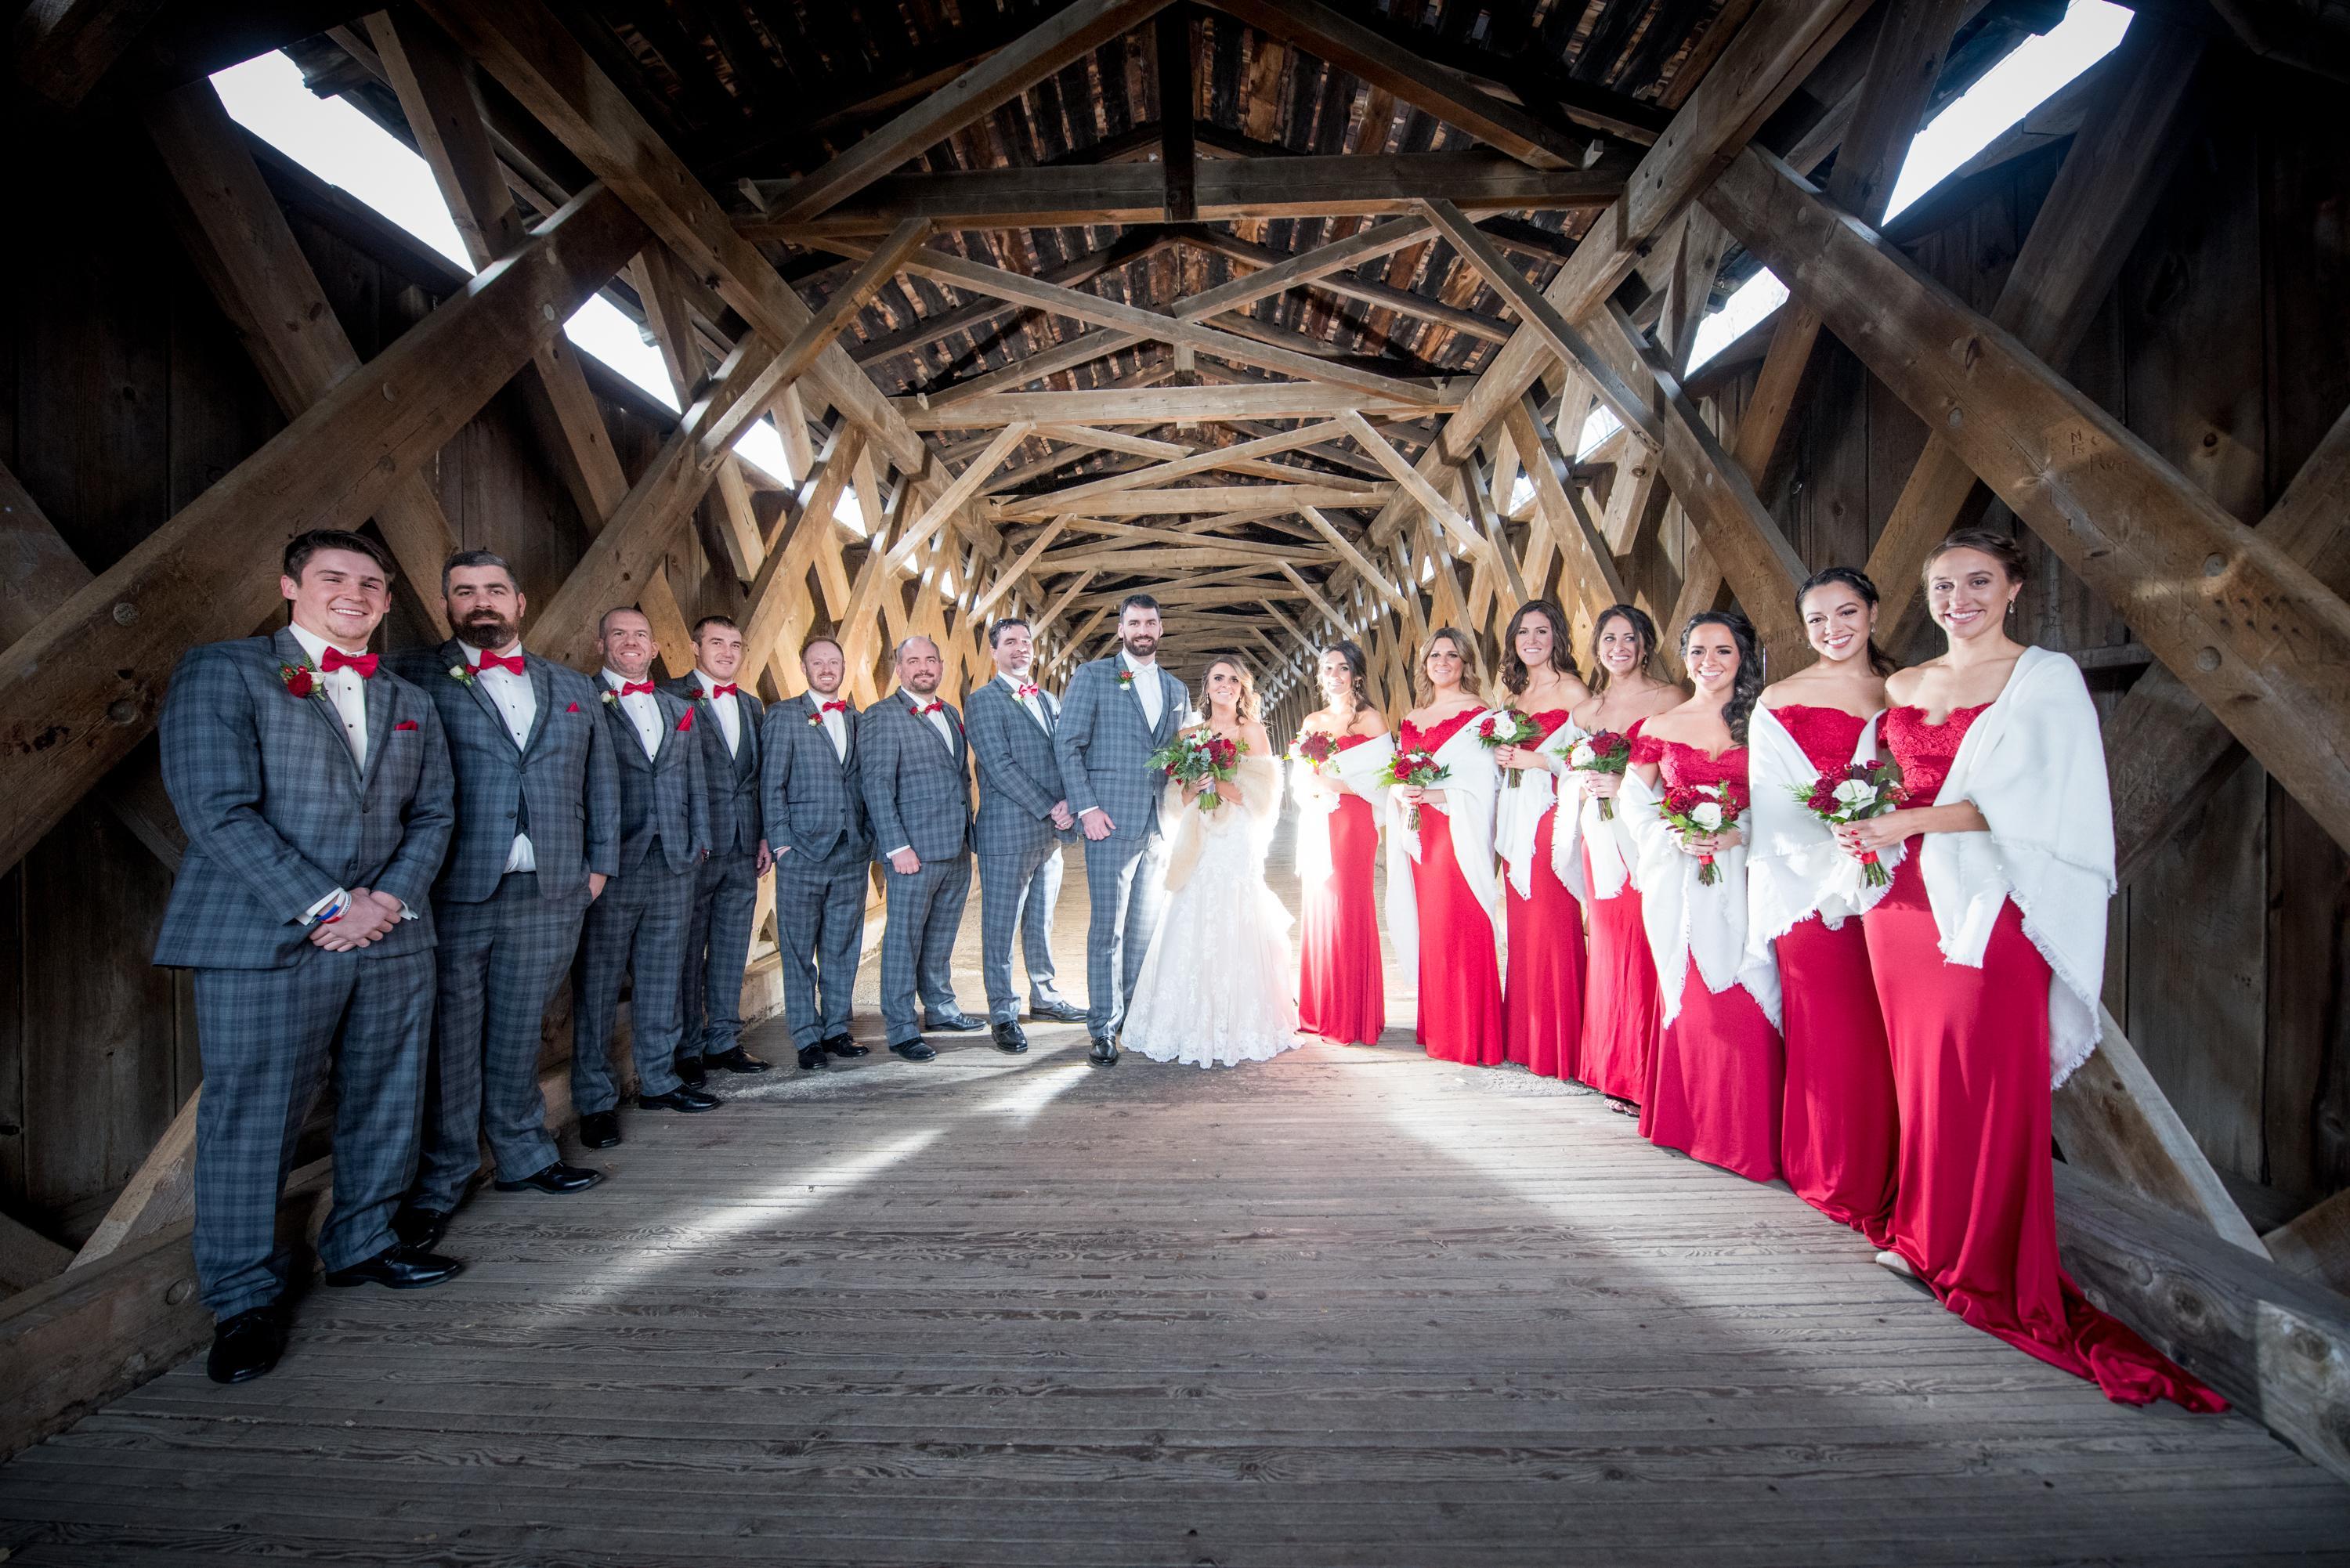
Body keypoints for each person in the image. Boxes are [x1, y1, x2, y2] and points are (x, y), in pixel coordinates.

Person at [1836, 530, 2221, 1409]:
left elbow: (2037, 804)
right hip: (1903, 904)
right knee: (1921, 1071)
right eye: (1943, 585)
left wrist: (1906, 821)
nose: (1959, 599)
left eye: (1979, 581)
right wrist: (1860, 818)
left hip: (1990, 903)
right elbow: (1880, 777)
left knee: (1983, 1069)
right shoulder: (1903, 685)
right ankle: (1920, 1234)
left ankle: (1981, 1252)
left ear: (2014, 589)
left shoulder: (2044, 679)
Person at [154, 529, 458, 1385]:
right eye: (333, 578)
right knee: (252, 1117)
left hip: (392, 932)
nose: (354, 594)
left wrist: (385, 901)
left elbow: (434, 813)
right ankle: (242, 1297)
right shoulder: (227, 670)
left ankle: (364, 1241)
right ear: (290, 586)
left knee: (388, 1094)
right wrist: (329, 904)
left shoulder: (409, 697)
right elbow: (214, 807)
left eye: (371, 583)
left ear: (388, 600)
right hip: (267, 935)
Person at [390, 551, 616, 1251]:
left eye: (494, 589)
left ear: (520, 602)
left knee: (521, 1029)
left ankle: (524, 1156)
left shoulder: (570, 685)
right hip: (455, 888)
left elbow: (601, 781)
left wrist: (598, 868)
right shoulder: (410, 675)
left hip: (552, 888)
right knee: (450, 1040)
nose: (480, 601)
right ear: (446, 604)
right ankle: (443, 1177)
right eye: (464, 591)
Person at [1748, 567, 1898, 1241]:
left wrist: (1880, 832)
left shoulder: (1903, 690)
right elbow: (1771, 802)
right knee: (1831, 1030)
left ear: (1873, 613)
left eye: (1846, 613)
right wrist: (1836, 843)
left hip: (1891, 881)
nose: (1832, 630)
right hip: (1807, 888)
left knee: (1884, 1033)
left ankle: (1889, 1165)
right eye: (1817, 619)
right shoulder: (1780, 698)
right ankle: (1833, 1170)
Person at [1621, 610, 1784, 1183]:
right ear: (1684, 657)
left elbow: (1785, 797)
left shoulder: (1764, 722)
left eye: (1723, 651)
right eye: (1697, 651)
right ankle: (1690, 1125)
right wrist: (1673, 835)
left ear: (1743, 657)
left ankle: (1745, 1135)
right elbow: (1633, 804)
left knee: (1747, 990)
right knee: (1692, 993)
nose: (1708, 663)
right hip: (1681, 878)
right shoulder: (1659, 726)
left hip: (1749, 874)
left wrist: (1742, 831)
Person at [570, 607, 717, 1148]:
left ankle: (659, 1079)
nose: (630, 642)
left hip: (674, 861)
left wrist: (699, 843)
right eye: (619, 634)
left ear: (655, 648)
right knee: (598, 984)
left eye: (640, 635)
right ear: (600, 644)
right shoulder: (582, 700)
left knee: (663, 976)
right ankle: (595, 1100)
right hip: (612, 865)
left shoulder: (679, 708)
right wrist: (590, 862)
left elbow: (696, 781)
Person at [1126, 657, 1300, 1068]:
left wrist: (1217, 782)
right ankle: (1185, 1021)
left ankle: (1241, 1022)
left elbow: (1263, 796)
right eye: (1218, 678)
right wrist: (1195, 785)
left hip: (1235, 837)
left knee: (1236, 910)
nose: (1226, 685)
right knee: (1190, 908)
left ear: (1243, 688)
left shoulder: (1252, 731)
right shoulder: (1188, 735)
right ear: (1205, 687)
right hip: (1197, 836)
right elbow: (1176, 797)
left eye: (1234, 679)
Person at [1055, 594, 1191, 1068]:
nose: (1143, 631)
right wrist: (1087, 807)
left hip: (1159, 825)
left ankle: (1134, 1016)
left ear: (1161, 628)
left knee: (1142, 930)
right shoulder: (1094, 676)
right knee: (1107, 930)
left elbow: (1177, 756)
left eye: (1150, 623)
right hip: (1108, 823)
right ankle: (1102, 1026)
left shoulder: (1176, 689)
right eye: (1134, 623)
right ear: (1121, 629)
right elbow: (1068, 744)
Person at [1568, 605, 1681, 1108]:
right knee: (1609, 945)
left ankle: (1644, 1073)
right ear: (1597, 648)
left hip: (1645, 836)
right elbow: (1566, 773)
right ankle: (1609, 1067)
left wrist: (1628, 786)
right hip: (1599, 837)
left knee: (1644, 939)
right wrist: (1584, 782)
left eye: (1629, 638)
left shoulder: (1670, 700)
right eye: (1609, 639)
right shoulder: (1585, 712)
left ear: (1645, 645)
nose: (1619, 648)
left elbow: (1683, 769)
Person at [963, 616, 1083, 1054]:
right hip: (1008, 833)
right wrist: (1051, 806)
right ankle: (1002, 1012)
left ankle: (1045, 996)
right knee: (1000, 926)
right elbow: (999, 766)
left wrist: (1071, 802)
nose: (1021, 648)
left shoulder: (1048, 699)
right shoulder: (982, 701)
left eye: (1026, 641)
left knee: (1041, 921)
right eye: (1010, 641)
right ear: (994, 651)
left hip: (1051, 835)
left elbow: (1067, 755)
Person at [662, 616, 773, 1085]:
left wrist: (765, 835)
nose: (728, 652)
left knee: (732, 946)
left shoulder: (751, 704)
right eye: (716, 643)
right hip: (696, 846)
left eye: (735, 644)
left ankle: (723, 1040)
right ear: (695, 647)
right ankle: (688, 1047)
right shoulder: (669, 696)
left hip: (744, 846)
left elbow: (759, 778)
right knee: (688, 950)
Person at [859, 635, 982, 1060]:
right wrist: (897, 846)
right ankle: (900, 1027)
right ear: (899, 669)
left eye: (931, 659)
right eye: (913, 661)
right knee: (904, 940)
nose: (924, 667)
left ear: (941, 666)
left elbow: (960, 778)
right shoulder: (881, 716)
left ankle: (941, 1007)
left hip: (955, 846)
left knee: (941, 935)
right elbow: (876, 786)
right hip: (912, 852)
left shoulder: (950, 712)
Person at [1488, 600, 1593, 1082]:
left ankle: (1561, 1044)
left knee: (1553, 922)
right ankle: (1526, 1039)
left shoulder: (1572, 690)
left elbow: (1591, 756)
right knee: (1523, 926)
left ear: (1557, 638)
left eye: (1542, 631)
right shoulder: (1513, 698)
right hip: (1516, 814)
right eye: (1523, 632)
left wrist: (1536, 760)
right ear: (1513, 641)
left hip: (1552, 813)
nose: (1532, 640)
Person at [758, 636, 872, 1071]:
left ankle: (836, 1028)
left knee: (843, 946)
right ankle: (806, 1036)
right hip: (802, 851)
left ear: (844, 668)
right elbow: (771, 785)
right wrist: (782, 844)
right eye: (817, 662)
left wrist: (867, 838)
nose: (827, 669)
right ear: (803, 668)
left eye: (834, 662)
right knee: (798, 949)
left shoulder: (858, 719)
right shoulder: (785, 716)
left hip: (851, 851)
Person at [1392, 628, 1502, 1066]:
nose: (1442, 662)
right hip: (1423, 832)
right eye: (1434, 655)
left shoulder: (1481, 715)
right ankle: (1439, 1026)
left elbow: (1486, 780)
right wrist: (1401, 791)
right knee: (1434, 927)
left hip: (1458, 830)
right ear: (1424, 665)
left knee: (1461, 921)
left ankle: (1471, 1034)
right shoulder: (1413, 717)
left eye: (1452, 655)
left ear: (1465, 663)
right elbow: (1398, 772)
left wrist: (1436, 794)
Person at [1289, 642, 1391, 1050]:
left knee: (1347, 906)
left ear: (1357, 675)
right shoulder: (1312, 720)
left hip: (1353, 820)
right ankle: (1321, 1009)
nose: (1335, 675)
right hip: (1318, 819)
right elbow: (1299, 777)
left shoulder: (1370, 720)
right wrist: (1311, 785)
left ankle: (1352, 1014)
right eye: (1328, 668)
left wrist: (1330, 782)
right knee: (1319, 907)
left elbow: (1383, 780)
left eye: (1343, 668)